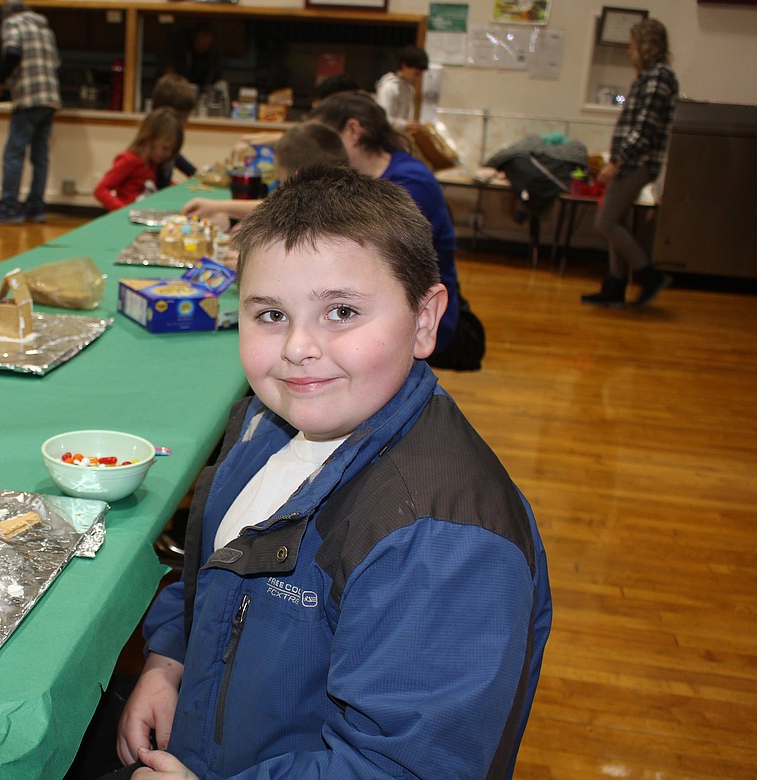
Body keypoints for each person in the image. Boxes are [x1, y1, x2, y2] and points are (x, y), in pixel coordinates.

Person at [117, 165, 552, 779]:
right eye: (269, 315)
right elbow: (210, 567)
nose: (298, 347)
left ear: (424, 321)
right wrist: (168, 662)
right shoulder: (264, 424)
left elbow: (404, 768)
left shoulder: (439, 543)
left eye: (341, 311)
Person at [311, 91, 483, 371]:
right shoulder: (371, 175)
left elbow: (350, 241)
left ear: (353, 130)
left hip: (421, 316)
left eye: (325, 138)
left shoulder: (410, 182)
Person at [582, 18, 679, 308]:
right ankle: (615, 286)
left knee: (607, 221)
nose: (629, 51)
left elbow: (645, 129)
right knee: (616, 221)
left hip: (637, 163)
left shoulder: (658, 77)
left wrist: (617, 163)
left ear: (647, 45)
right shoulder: (650, 76)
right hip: (635, 161)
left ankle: (649, 274)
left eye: (633, 45)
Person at [0, 0, 61, 226]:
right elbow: (56, 64)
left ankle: (9, 209)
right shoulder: (45, 28)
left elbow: (13, 52)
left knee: (13, 155)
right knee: (40, 157)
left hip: (28, 99)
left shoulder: (12, 23)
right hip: (50, 99)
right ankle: (36, 209)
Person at [181, 121, 349, 225]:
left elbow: (274, 207)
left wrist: (216, 207)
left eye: (282, 181)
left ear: (298, 178)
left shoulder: (318, 216)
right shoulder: (344, 202)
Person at [94, 108, 183, 211]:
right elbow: (100, 190)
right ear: (148, 139)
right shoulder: (129, 160)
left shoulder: (152, 163)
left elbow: (153, 184)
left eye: (171, 150)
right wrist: (123, 212)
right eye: (165, 148)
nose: (168, 154)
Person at [150, 73, 199, 190]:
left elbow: (177, 159)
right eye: (181, 117)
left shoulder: (169, 150)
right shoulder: (151, 149)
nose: (185, 123)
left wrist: (199, 175)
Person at [375, 45, 428, 133]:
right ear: (404, 66)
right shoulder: (389, 87)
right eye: (416, 74)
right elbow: (382, 120)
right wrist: (406, 124)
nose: (418, 79)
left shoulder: (409, 89)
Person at [157, 21, 223, 93]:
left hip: (202, 92)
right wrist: (175, 81)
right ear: (194, 38)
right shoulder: (180, 45)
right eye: (200, 43)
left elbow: (215, 76)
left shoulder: (213, 55)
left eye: (206, 45)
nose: (202, 47)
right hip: (177, 90)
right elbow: (165, 63)